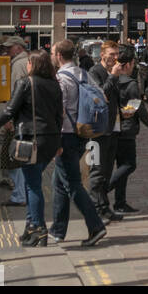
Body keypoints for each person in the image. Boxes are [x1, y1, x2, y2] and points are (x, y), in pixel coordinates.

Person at [0, 50, 63, 248]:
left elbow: (10, 110)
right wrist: (58, 143)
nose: (26, 66)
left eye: (28, 63)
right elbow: (59, 116)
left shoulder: (25, 83)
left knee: (33, 186)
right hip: (50, 141)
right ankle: (30, 227)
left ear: (33, 65)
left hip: (31, 141)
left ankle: (38, 228)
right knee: (30, 183)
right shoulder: (54, 84)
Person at [49, 39, 107, 247]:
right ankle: (57, 230)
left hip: (66, 135)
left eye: (52, 53)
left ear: (58, 56)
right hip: (83, 131)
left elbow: (60, 110)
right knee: (58, 183)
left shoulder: (61, 78)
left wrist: (54, 137)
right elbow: (101, 95)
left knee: (72, 183)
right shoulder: (83, 73)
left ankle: (96, 226)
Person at [107, 47, 148, 216]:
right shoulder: (131, 85)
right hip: (127, 130)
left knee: (122, 165)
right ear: (128, 65)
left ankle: (120, 203)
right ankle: (104, 189)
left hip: (113, 128)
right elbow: (138, 108)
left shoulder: (112, 80)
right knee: (129, 164)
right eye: (133, 63)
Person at [88, 42, 120, 220]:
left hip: (113, 127)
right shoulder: (95, 72)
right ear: (102, 55)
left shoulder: (113, 73)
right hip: (99, 129)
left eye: (116, 54)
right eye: (111, 54)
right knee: (97, 170)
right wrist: (113, 77)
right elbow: (100, 96)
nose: (115, 58)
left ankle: (104, 206)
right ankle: (96, 208)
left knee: (107, 170)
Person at [1, 38, 31, 202]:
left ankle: (19, 194)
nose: (7, 50)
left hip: (17, 119)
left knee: (13, 157)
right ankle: (22, 193)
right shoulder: (25, 61)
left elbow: (16, 93)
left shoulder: (18, 64)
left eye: (9, 47)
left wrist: (9, 118)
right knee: (21, 157)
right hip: (25, 118)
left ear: (18, 48)